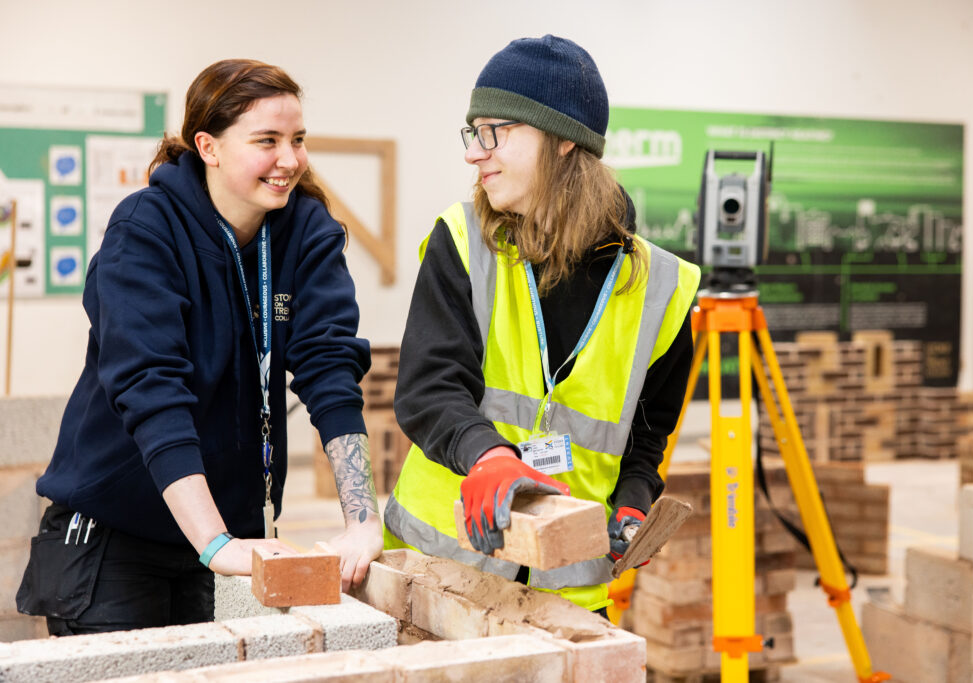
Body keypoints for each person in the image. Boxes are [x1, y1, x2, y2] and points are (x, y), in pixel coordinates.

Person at [17, 59, 382, 635]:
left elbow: (330, 367)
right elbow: (152, 388)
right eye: (267, 141)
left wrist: (362, 518)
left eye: (298, 140)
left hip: (225, 538)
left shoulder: (306, 231)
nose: (290, 160)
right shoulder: (145, 229)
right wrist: (213, 542)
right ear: (208, 146)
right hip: (117, 539)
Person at [382, 35, 700, 614]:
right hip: (439, 578)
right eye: (472, 132)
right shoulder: (462, 243)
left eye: (494, 131)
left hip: (569, 597)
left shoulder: (662, 288)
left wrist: (634, 498)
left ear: (561, 142)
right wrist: (488, 456)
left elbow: (648, 433)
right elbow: (429, 387)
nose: (474, 152)